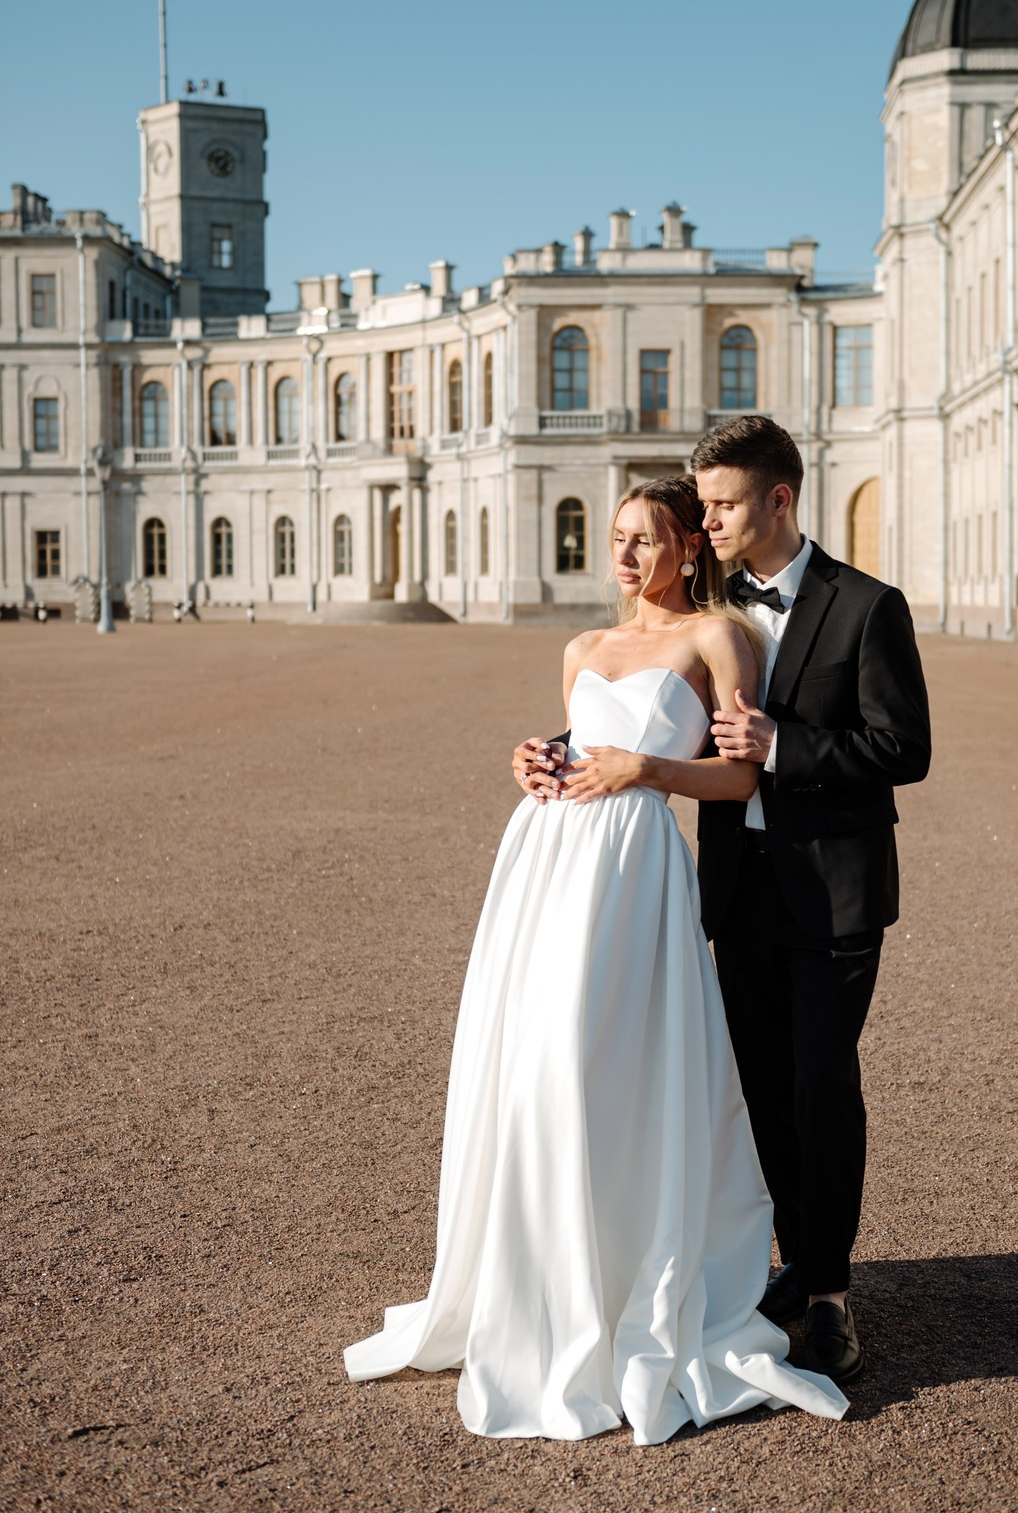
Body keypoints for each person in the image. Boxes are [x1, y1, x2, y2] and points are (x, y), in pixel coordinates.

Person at [345, 475, 848, 1445]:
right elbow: (584, 743)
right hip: (544, 861)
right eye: (616, 537)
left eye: (644, 538)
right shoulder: (580, 647)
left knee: (596, 1067)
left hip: (634, 865)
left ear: (687, 548)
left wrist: (645, 771)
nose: (623, 554)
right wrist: (533, 758)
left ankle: (617, 1276)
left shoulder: (715, 639)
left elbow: (738, 771)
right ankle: (538, 1276)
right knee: (530, 1068)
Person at [516, 417, 931, 1386]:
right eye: (698, 505)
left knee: (820, 1085)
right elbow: (642, 698)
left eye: (723, 503)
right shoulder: (710, 603)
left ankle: (827, 1293)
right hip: (733, 887)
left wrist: (783, 748)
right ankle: (788, 1261)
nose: (705, 521)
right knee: (754, 1089)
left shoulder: (868, 606)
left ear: (779, 499)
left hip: (832, 889)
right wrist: (550, 746)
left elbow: (902, 748)